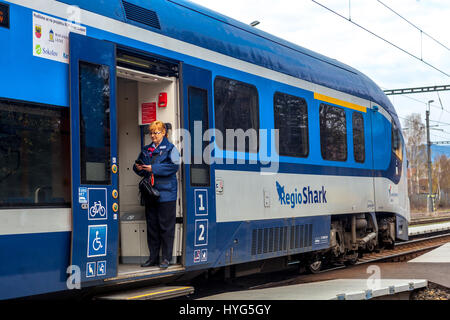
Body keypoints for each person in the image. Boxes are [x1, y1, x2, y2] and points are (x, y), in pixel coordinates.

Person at [133, 120, 180, 269]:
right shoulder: (146, 149)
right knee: (152, 227)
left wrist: (153, 168)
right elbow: (140, 169)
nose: (153, 135)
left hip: (166, 193)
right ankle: (152, 258)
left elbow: (173, 167)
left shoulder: (171, 149)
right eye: (151, 133)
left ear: (163, 133)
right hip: (150, 193)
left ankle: (166, 258)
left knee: (166, 227)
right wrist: (138, 168)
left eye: (156, 132)